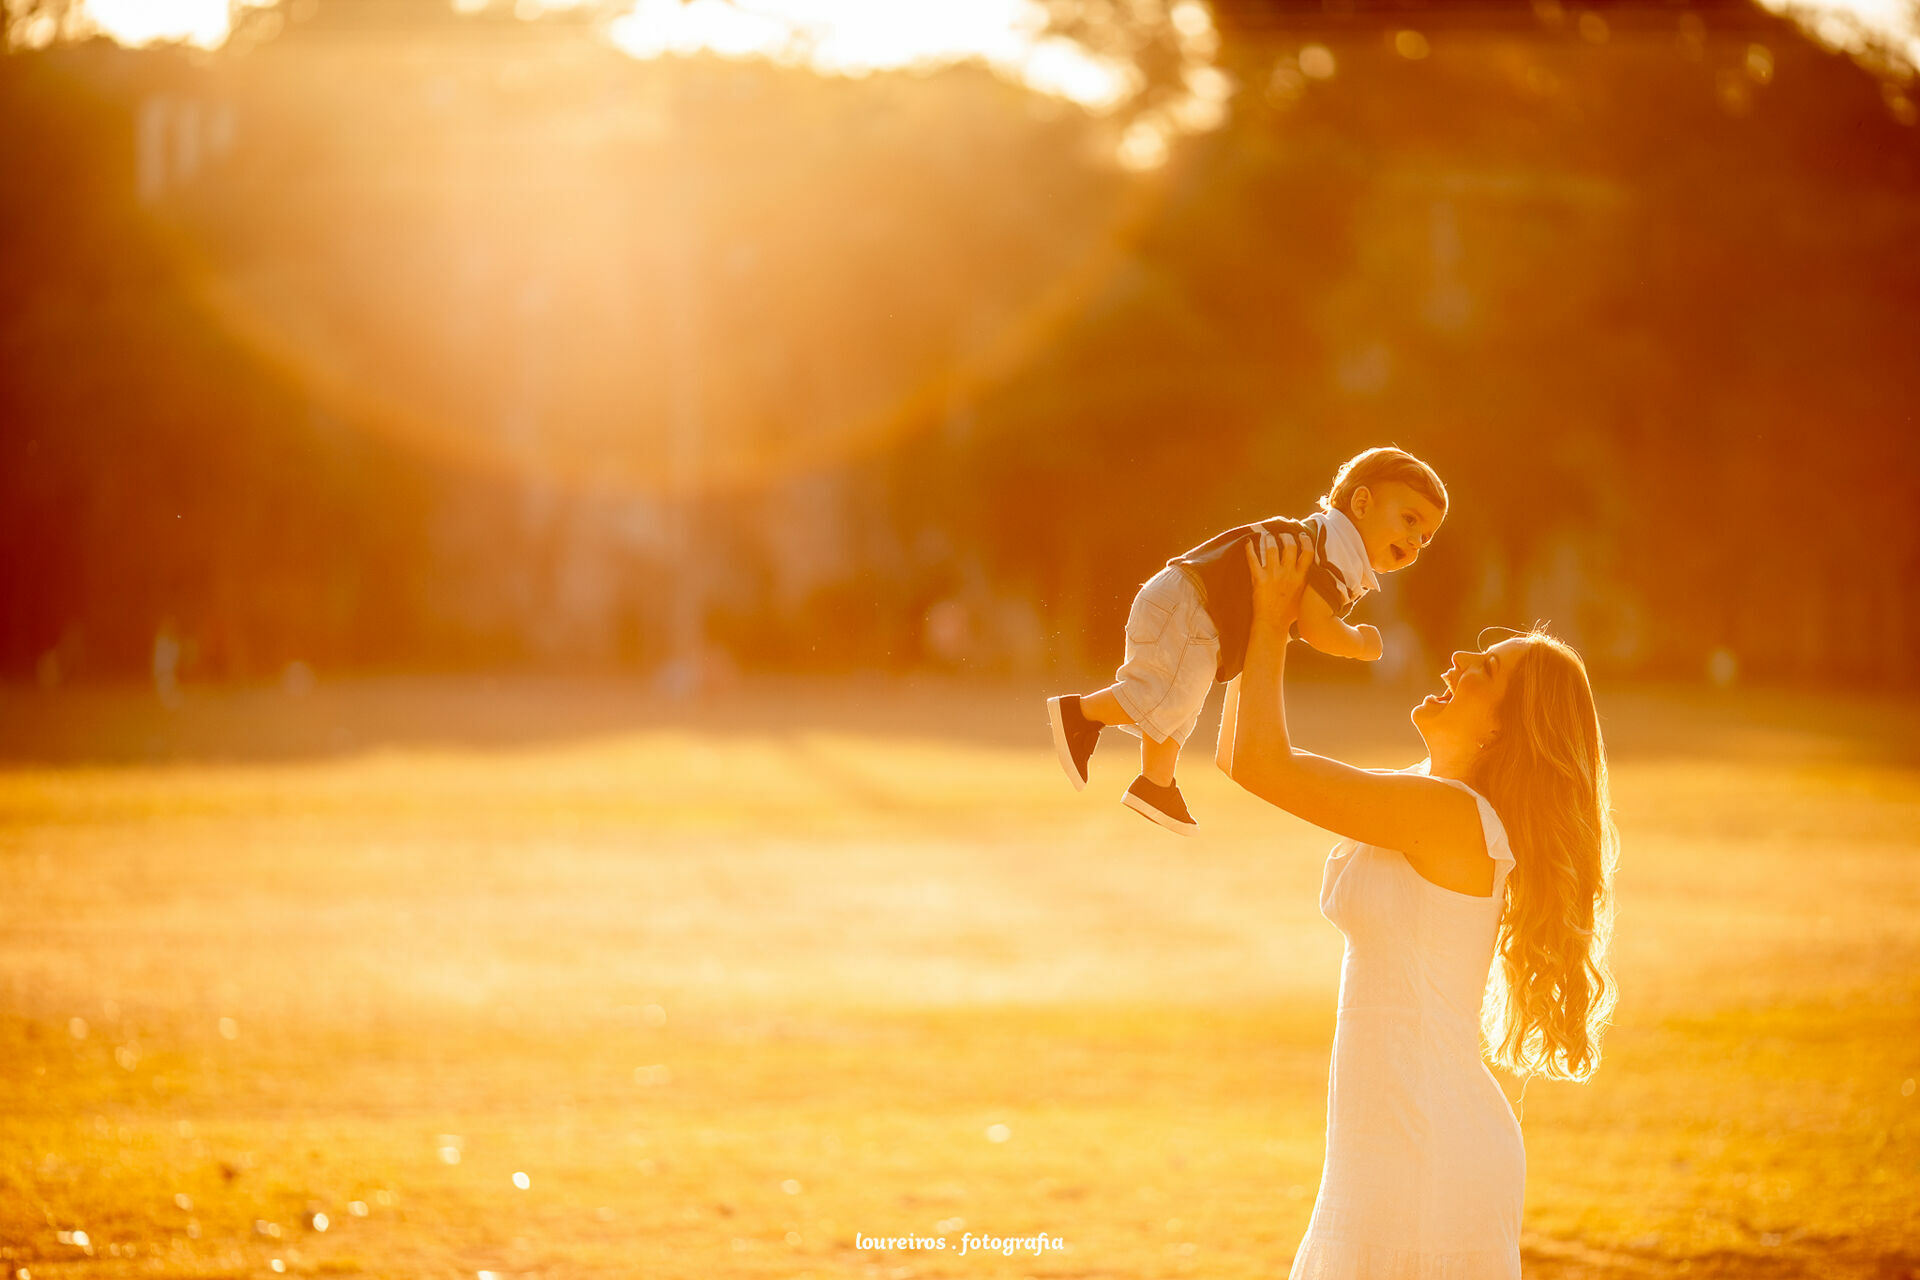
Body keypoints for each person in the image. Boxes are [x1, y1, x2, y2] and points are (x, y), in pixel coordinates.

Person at [1218, 528, 1619, 1280]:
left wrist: (1271, 620)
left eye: (1485, 670)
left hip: (1426, 1154)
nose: (1459, 659)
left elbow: (1260, 763)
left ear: (1505, 728)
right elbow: (1240, 753)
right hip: (1390, 1144)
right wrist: (1251, 626)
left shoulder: (1450, 818)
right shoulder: (1426, 798)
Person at [1046, 447, 1448, 835]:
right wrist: (1361, 643)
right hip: (1193, 602)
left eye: (1426, 537)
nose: (1416, 540)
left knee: (1180, 701)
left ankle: (1156, 782)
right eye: (1409, 519)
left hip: (1188, 602)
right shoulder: (1336, 552)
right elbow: (1316, 626)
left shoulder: (1324, 540)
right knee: (1161, 696)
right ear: (1361, 504)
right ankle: (1080, 714)